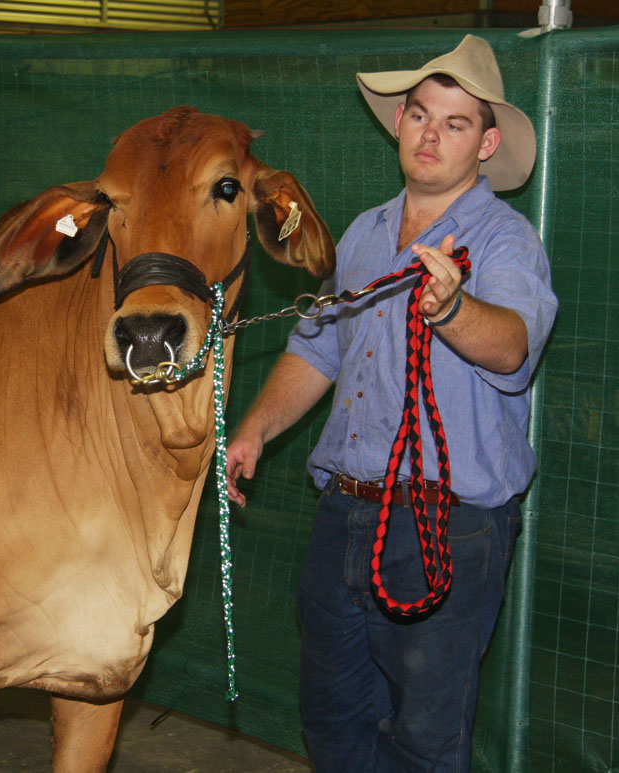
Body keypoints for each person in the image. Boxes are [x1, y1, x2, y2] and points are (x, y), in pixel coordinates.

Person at [225, 35, 557, 772]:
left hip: (450, 527)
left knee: (424, 745)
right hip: (344, 515)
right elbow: (316, 351)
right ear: (399, 123)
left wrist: (453, 310)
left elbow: (511, 347)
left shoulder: (507, 242)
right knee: (333, 725)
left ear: (487, 142)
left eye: (457, 121)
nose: (431, 133)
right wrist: (253, 430)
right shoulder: (364, 234)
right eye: (419, 114)